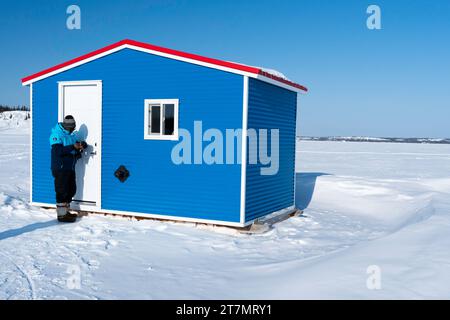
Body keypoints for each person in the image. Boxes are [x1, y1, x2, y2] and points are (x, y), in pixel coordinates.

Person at [49, 115, 85, 223]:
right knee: (62, 191)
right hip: (60, 168)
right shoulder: (56, 135)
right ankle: (61, 216)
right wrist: (73, 147)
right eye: (72, 126)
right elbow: (58, 151)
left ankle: (66, 211)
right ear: (67, 126)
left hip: (69, 167)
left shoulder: (71, 135)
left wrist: (82, 145)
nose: (74, 128)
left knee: (71, 190)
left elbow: (75, 145)